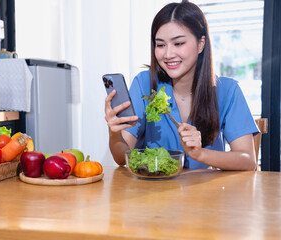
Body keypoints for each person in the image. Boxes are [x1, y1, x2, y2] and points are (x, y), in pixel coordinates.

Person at [104, 0, 259, 170]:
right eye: (161, 45)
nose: (168, 54)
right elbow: (122, 157)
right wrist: (114, 134)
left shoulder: (228, 91)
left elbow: (248, 160)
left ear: (201, 44)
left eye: (178, 43)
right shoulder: (144, 84)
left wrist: (200, 154)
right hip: (153, 192)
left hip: (207, 192)